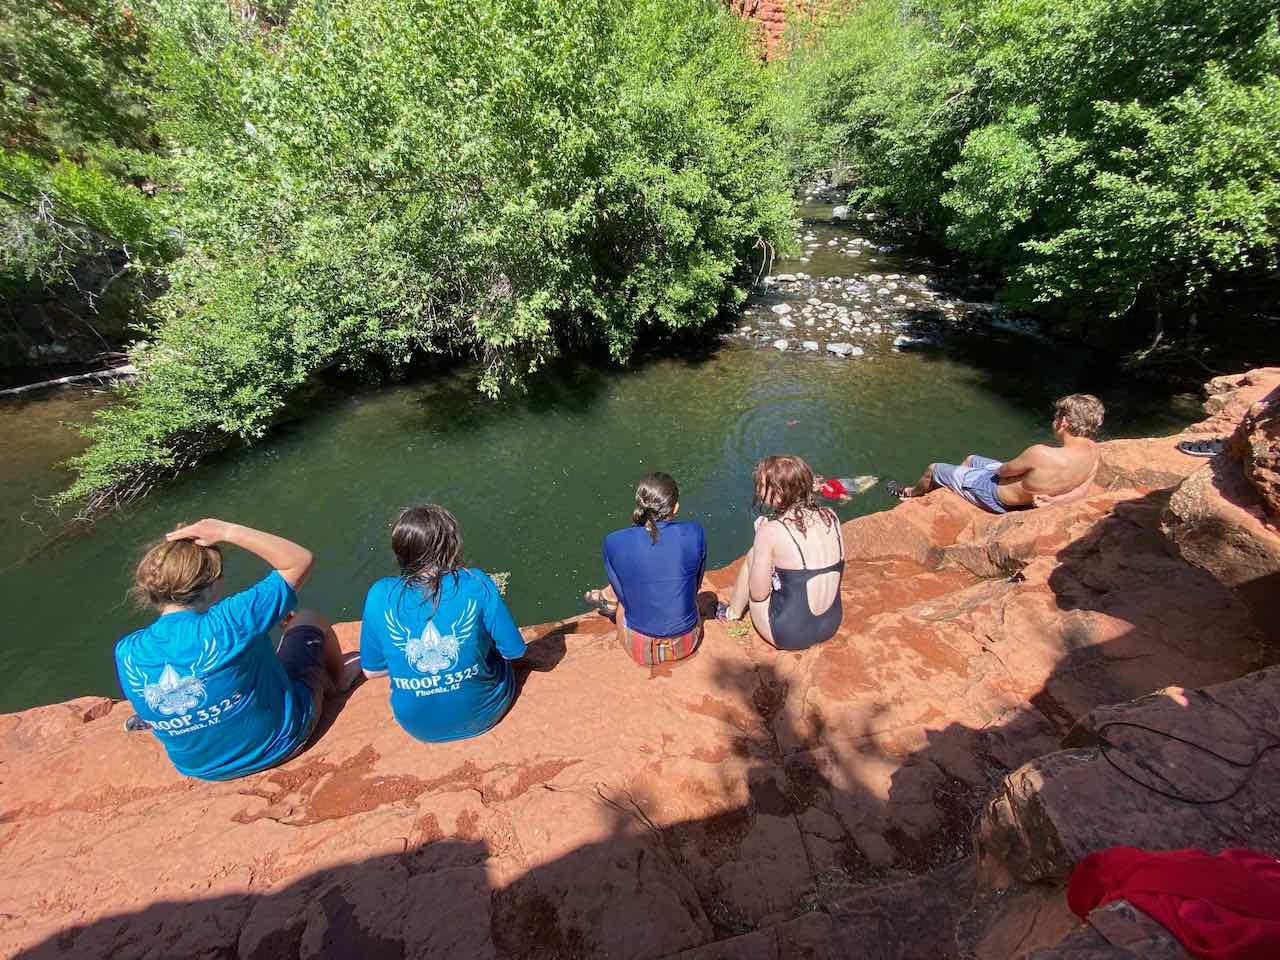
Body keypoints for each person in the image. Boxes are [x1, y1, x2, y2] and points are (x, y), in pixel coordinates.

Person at [116, 519, 345, 781]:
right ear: (212, 582)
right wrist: (225, 531)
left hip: (201, 768)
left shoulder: (127, 650)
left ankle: (166, 718)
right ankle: (340, 682)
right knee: (306, 618)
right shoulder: (232, 619)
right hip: (278, 743)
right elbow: (299, 560)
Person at [360, 504, 526, 742]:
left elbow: (372, 671)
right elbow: (514, 652)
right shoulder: (476, 581)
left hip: (417, 726)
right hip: (485, 712)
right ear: (451, 545)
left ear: (400, 551)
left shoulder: (379, 594)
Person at [888, 394, 1105, 513]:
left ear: (1064, 422)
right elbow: (1083, 490)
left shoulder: (1041, 453)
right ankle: (957, 484)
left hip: (993, 496)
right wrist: (1053, 502)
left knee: (934, 469)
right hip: (1025, 497)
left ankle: (909, 494)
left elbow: (1003, 471)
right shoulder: (1094, 452)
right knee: (972, 459)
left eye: (1056, 417)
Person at [719, 455, 845, 650]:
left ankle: (731, 614)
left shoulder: (771, 532)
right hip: (830, 624)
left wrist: (761, 541)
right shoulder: (831, 516)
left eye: (762, 486)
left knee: (753, 555)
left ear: (779, 492)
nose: (758, 491)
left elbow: (759, 594)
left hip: (789, 634)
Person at [585, 472, 707, 666]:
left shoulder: (613, 540)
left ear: (639, 505)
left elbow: (622, 592)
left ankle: (607, 600)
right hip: (686, 642)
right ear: (675, 507)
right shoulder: (695, 532)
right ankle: (607, 598)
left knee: (625, 595)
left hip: (640, 648)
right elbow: (696, 585)